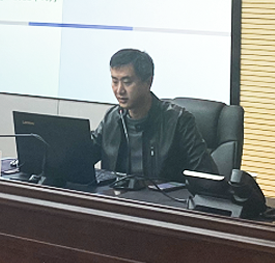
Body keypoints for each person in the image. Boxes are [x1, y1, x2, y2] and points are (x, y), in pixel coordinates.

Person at [91, 49, 218, 182]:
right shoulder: (112, 118)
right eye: (115, 81)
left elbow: (208, 176)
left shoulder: (178, 121)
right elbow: (85, 156)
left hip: (163, 196)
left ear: (148, 82)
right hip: (118, 195)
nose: (119, 90)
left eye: (127, 82)